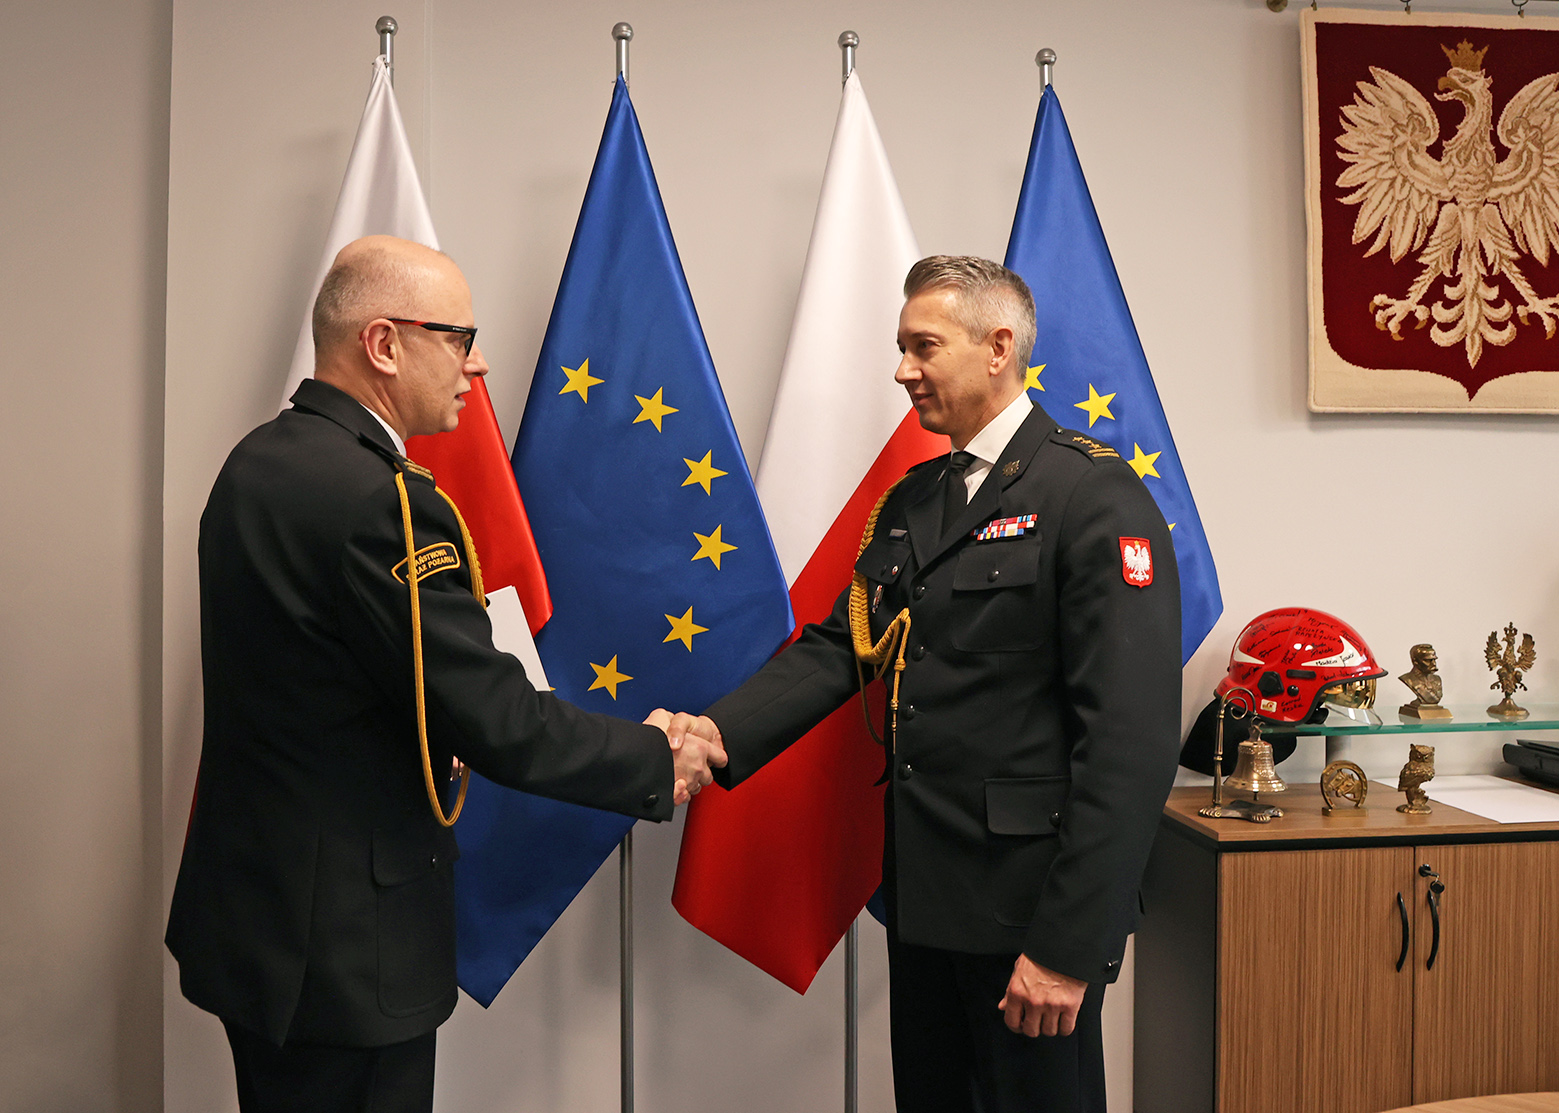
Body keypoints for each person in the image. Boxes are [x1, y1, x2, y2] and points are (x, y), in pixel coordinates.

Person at [166, 235, 723, 1113]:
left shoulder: (259, 462)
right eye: (459, 336)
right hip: (344, 948)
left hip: (258, 921)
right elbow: (498, 720)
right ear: (384, 344)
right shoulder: (380, 500)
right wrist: (656, 756)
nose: (477, 361)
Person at [671, 256, 1181, 1113]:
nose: (902, 369)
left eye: (923, 346)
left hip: (1027, 912)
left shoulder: (1089, 493)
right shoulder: (917, 498)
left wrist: (1068, 946)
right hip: (925, 897)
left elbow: (1128, 744)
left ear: (997, 348)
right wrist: (715, 735)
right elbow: (844, 645)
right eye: (901, 348)